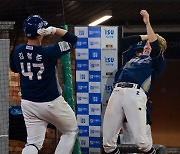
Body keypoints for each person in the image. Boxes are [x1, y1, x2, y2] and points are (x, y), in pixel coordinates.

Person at [10, 15, 78, 154]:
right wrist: (53, 30)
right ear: (41, 32)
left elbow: (14, 68)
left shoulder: (18, 50)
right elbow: (73, 39)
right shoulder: (49, 51)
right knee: (70, 131)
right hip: (51, 103)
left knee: (33, 143)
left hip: (29, 103)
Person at [103, 10, 167, 154]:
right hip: (117, 91)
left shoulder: (156, 61)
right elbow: (122, 42)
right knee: (108, 144)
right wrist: (145, 36)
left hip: (135, 93)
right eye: (146, 44)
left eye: (149, 45)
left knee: (142, 142)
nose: (146, 46)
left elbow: (156, 46)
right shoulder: (134, 57)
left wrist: (147, 24)